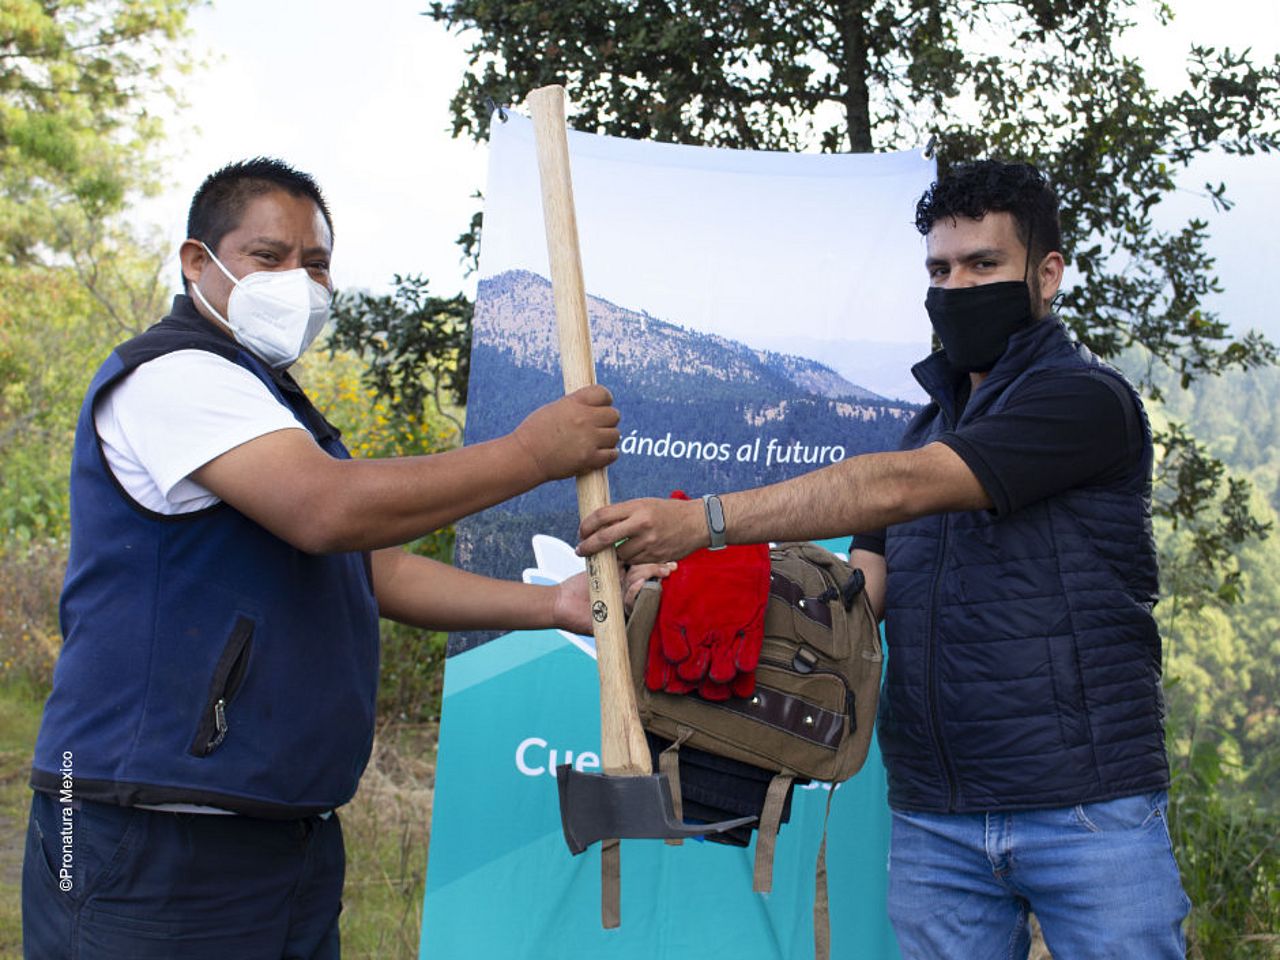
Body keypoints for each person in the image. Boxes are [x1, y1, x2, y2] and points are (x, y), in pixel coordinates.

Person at [577, 160, 1190, 957]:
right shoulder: (919, 430)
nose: (958, 286)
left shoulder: (1084, 402)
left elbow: (904, 489)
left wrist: (707, 523)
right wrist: (690, 586)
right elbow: (855, 597)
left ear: (1048, 275)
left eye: (984, 265)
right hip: (936, 816)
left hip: (1085, 808)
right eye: (941, 269)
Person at [23, 157, 628, 959]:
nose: (299, 282)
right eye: (268, 257)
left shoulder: (270, 404)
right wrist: (529, 453)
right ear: (198, 263)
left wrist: (552, 604)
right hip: (150, 832)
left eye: (316, 264)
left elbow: (377, 567)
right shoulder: (173, 377)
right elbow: (326, 510)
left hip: (282, 833)